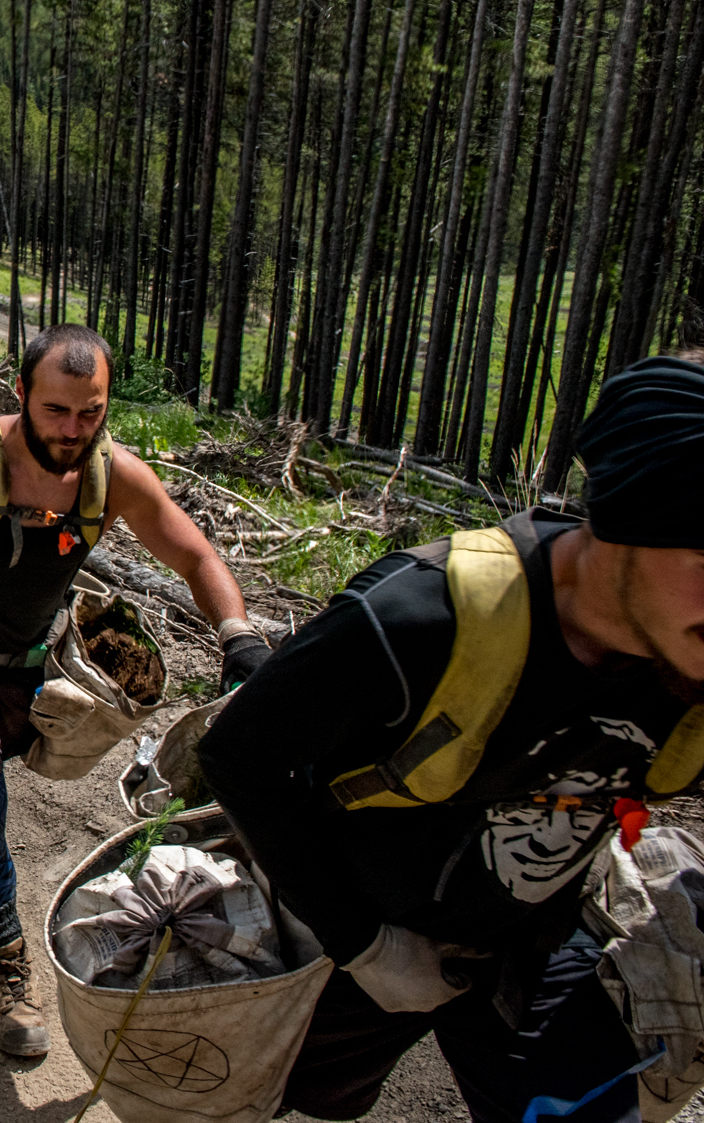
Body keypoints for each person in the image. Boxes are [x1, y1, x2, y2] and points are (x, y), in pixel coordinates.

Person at [191, 353, 704, 1123]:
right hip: (351, 948)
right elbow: (237, 756)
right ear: (628, 519)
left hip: (528, 952)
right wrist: (363, 943)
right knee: (256, 1097)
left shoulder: (687, 658)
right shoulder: (418, 621)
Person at [0, 323, 263, 1058]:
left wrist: (236, 633)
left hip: (35, 664)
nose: (71, 430)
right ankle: (8, 967)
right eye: (56, 410)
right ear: (23, 394)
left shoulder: (110, 475)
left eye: (89, 412)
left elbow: (193, 553)